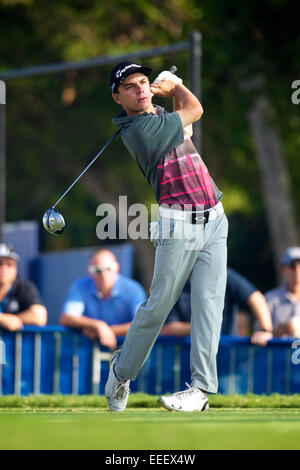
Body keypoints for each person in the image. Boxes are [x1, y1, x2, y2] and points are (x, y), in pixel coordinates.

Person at [105, 61, 228, 412]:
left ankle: (200, 391)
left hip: (215, 218)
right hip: (178, 223)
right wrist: (175, 86)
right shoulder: (139, 130)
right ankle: (122, 370)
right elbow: (195, 109)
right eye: (130, 86)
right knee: (159, 305)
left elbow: (185, 129)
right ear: (117, 97)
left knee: (209, 306)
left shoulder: (157, 116)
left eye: (144, 81)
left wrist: (171, 95)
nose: (141, 88)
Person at [160, 268, 273, 346]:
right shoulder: (175, 287)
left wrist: (265, 330)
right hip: (187, 363)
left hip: (226, 362)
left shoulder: (224, 275)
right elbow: (165, 329)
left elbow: (256, 298)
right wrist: (199, 327)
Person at [60, 248, 146, 350]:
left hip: (128, 354)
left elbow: (143, 324)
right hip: (89, 357)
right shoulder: (80, 286)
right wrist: (98, 325)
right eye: (97, 270)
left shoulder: (133, 289)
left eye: (108, 269)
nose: (103, 275)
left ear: (116, 268)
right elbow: (67, 318)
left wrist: (105, 331)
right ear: (89, 272)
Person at [0, 243, 47, 331]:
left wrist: (12, 319)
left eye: (9, 264)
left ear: (15, 268)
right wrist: (2, 319)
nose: (4, 269)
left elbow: (39, 317)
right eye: (0, 263)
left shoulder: (24, 287)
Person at [265, 247, 300, 337]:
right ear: (282, 269)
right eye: (292, 266)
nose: (297, 270)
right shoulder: (270, 299)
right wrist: (278, 331)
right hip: (279, 351)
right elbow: (259, 334)